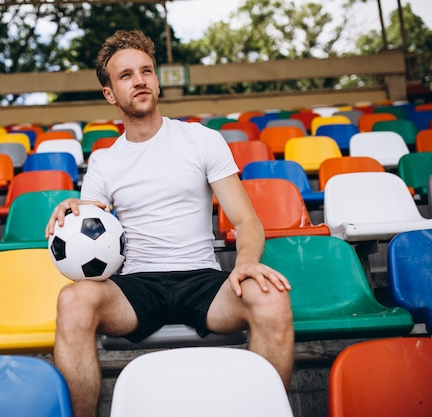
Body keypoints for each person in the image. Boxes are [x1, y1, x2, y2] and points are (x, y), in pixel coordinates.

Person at [45, 29, 294, 417]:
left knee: (272, 299)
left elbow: (246, 220)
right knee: (73, 301)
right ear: (110, 93)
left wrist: (245, 263)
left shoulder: (201, 140)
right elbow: (90, 223)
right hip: (136, 286)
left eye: (146, 70)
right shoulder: (105, 162)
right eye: (126, 75)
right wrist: (73, 207)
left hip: (202, 280)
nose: (140, 80)